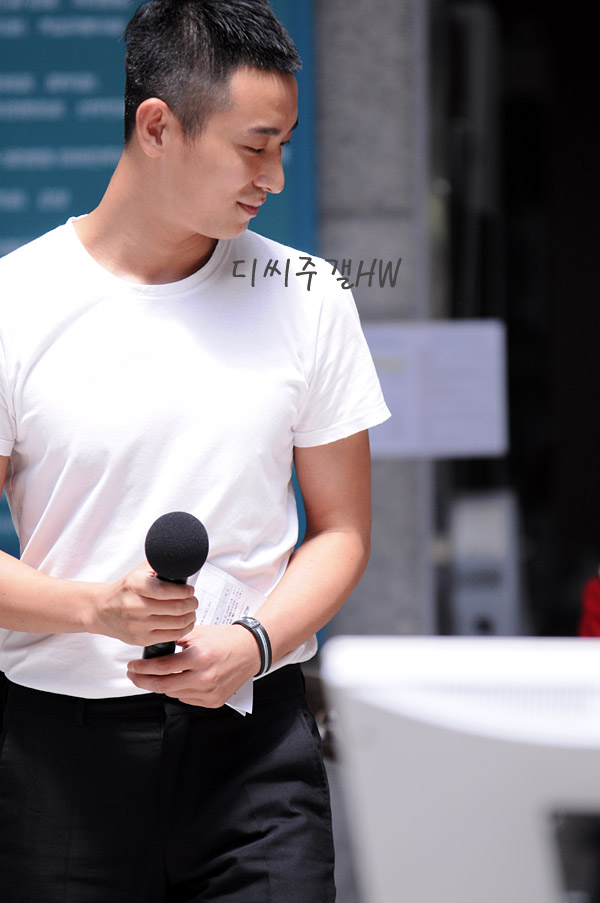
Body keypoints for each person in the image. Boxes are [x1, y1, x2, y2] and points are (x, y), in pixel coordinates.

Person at [0, 1, 390, 900]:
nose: (274, 177)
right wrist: (99, 609)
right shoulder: (18, 304)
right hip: (60, 761)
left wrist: (253, 644)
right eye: (255, 147)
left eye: (285, 146)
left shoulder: (308, 295)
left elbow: (342, 530)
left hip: (256, 756)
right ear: (157, 126)